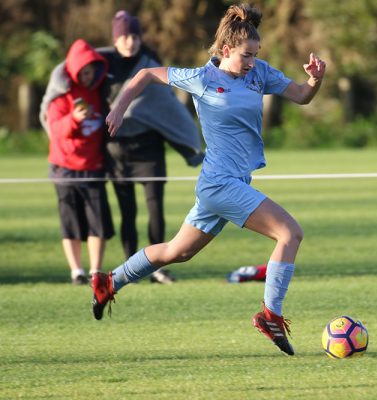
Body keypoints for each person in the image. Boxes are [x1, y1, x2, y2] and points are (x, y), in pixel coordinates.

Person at [91, 3, 326, 356]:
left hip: (227, 184)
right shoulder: (202, 78)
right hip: (220, 184)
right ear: (226, 50)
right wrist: (120, 106)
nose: (251, 62)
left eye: (255, 55)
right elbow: (145, 75)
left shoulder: (259, 73)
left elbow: (301, 96)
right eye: (246, 55)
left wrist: (315, 79)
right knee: (289, 233)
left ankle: (110, 281)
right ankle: (270, 315)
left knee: (176, 252)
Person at [97, 11, 205, 284]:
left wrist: (189, 145)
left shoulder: (150, 62)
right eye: (123, 36)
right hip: (117, 149)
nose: (130, 41)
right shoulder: (103, 64)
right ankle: (129, 269)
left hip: (150, 148)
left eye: (134, 36)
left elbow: (165, 107)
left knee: (155, 207)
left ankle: (158, 269)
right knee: (128, 212)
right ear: (114, 38)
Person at [44, 39, 115, 284]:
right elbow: (54, 129)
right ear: (73, 71)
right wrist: (74, 119)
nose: (87, 76)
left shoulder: (99, 91)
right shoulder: (61, 94)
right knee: (71, 222)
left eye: (91, 71)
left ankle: (95, 270)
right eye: (83, 72)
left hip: (93, 167)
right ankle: (77, 271)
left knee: (98, 222)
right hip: (64, 169)